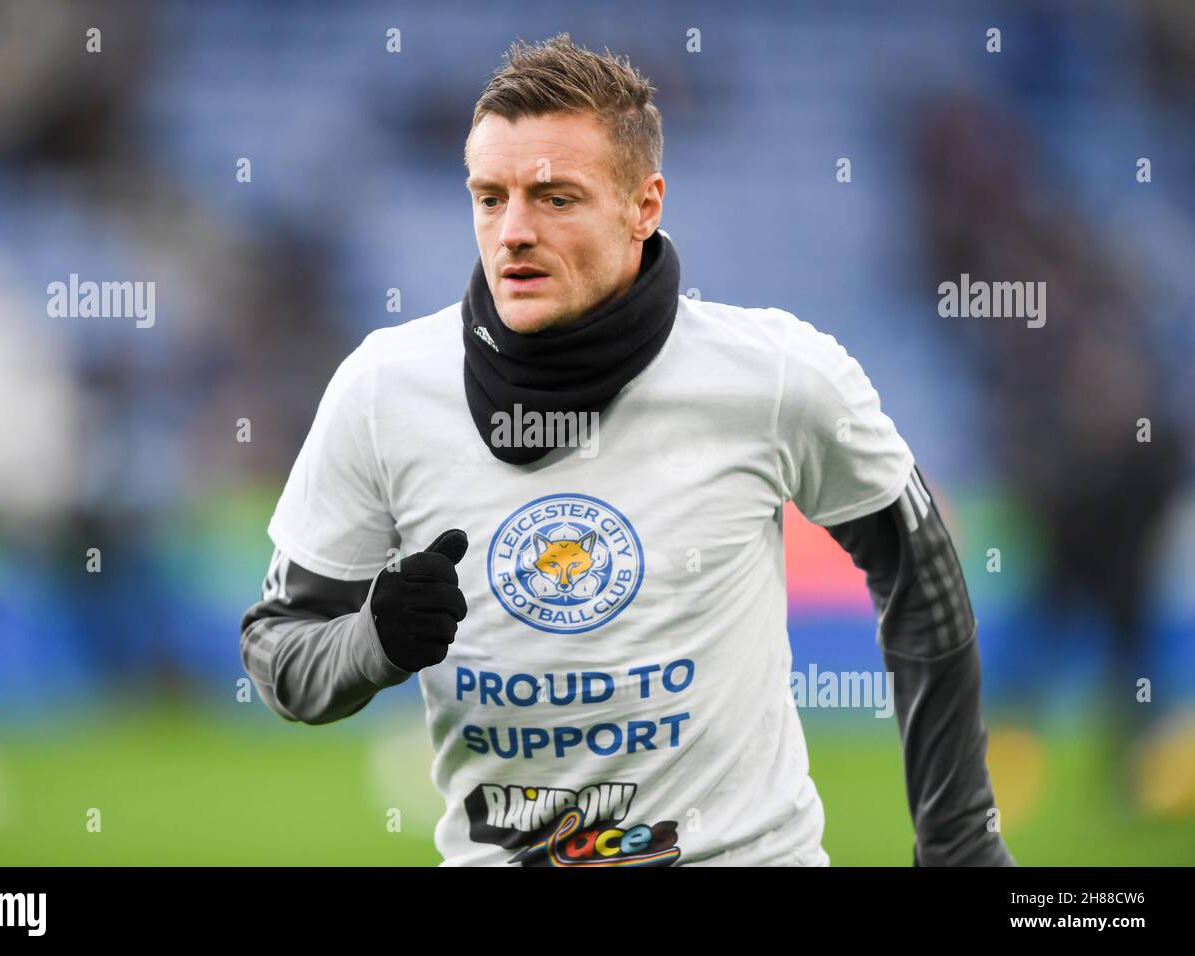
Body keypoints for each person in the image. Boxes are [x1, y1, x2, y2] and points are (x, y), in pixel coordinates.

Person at [240, 33, 1014, 867]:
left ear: (644, 206)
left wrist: (959, 842)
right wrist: (374, 642)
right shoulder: (384, 390)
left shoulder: (778, 376)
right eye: (489, 197)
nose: (513, 233)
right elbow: (278, 651)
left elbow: (921, 574)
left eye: (555, 199)